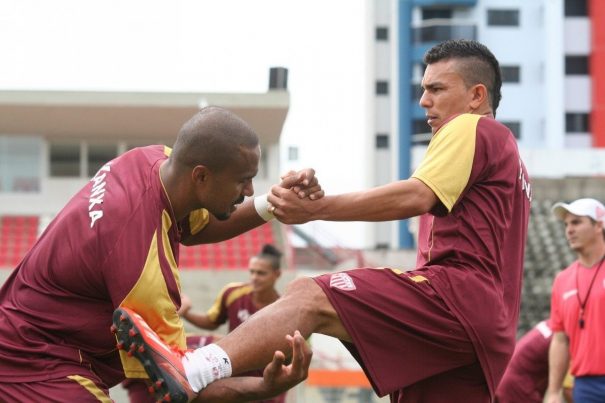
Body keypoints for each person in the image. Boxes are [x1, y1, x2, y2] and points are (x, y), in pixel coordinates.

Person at [117, 39, 532, 403]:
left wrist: (317, 208)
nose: (424, 100)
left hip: (457, 299)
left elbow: (415, 194)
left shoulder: (472, 128)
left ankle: (194, 369)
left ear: (477, 95)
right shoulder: (509, 162)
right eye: (423, 89)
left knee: (309, 295)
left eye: (436, 89)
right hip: (485, 335)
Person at [0, 106, 318, 401]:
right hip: (35, 364)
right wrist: (264, 387)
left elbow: (198, 226)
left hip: (31, 341)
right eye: (242, 180)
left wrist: (275, 203)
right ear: (201, 176)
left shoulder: (151, 160)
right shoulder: (140, 264)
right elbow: (179, 384)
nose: (249, 191)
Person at [124, 244, 287, 403]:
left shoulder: (282, 310)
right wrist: (186, 312)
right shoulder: (233, 293)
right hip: (230, 366)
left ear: (277, 274)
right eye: (252, 272)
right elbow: (211, 321)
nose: (254, 278)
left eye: (261, 273)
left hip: (259, 375)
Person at [545, 198, 605, 403]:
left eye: (577, 222)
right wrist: (553, 391)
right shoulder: (562, 280)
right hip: (585, 386)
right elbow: (560, 339)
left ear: (599, 225)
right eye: (566, 224)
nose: (569, 230)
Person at [495, 319, 574, 403]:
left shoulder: (554, 324)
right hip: (519, 388)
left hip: (504, 381)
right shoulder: (564, 337)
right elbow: (568, 388)